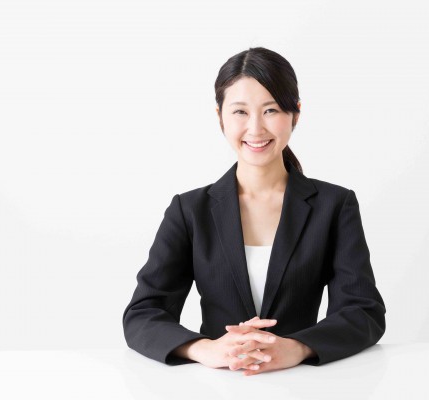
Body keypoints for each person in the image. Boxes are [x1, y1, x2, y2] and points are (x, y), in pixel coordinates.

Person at [122, 47, 386, 376]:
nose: (256, 128)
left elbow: (363, 312)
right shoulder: (189, 211)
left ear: (296, 114)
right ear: (220, 117)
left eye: (271, 110)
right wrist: (206, 349)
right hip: (215, 384)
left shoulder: (334, 205)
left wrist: (298, 347)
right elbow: (143, 313)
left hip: (305, 384)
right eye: (240, 112)